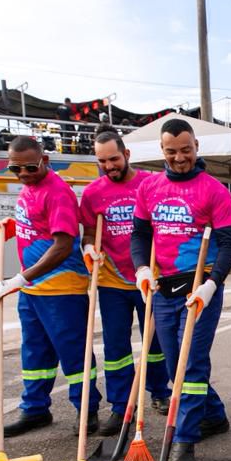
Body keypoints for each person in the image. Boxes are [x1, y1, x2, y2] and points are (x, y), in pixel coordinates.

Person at [130, 117, 231, 461]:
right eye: (172, 151)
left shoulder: (214, 190)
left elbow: (227, 243)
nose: (180, 158)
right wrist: (142, 269)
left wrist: (212, 285)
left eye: (186, 150)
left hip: (199, 285)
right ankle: (214, 414)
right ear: (162, 151)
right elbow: (140, 235)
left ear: (197, 148)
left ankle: (182, 440)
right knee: (174, 362)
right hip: (164, 287)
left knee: (190, 365)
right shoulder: (149, 188)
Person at [0, 135, 102, 436]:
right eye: (16, 169)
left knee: (74, 353)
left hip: (61, 289)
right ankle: (35, 409)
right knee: (35, 354)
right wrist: (14, 225)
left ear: (45, 161)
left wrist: (20, 278)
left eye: (30, 167)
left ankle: (87, 411)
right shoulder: (28, 189)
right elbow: (39, 226)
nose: (23, 174)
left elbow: (63, 245)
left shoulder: (57, 192)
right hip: (33, 289)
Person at [78, 131, 170, 437]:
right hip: (112, 279)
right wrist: (89, 248)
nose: (109, 166)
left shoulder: (150, 183)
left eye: (114, 159)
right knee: (116, 347)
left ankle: (159, 391)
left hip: (149, 275)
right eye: (102, 161)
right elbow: (89, 232)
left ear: (127, 154)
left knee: (155, 344)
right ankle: (120, 406)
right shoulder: (92, 193)